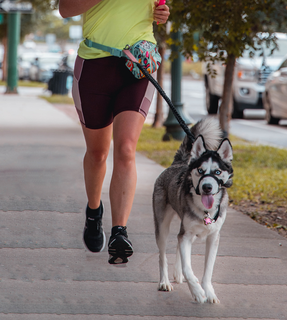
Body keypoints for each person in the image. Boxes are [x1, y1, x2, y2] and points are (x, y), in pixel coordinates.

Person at [59, 0, 170, 264]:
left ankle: (119, 231)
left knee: (126, 149)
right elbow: (65, 9)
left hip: (137, 63)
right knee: (98, 154)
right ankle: (94, 211)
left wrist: (162, 13)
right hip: (94, 64)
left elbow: (158, 10)